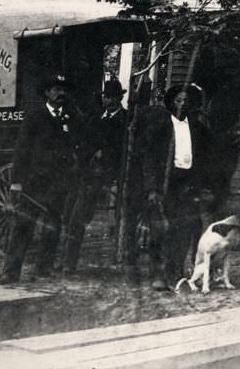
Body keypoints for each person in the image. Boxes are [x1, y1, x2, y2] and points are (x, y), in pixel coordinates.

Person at [0, 73, 79, 284]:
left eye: (63, 89)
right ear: (47, 93)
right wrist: (16, 182)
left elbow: (76, 147)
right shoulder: (35, 117)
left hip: (58, 183)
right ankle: (10, 272)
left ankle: (44, 269)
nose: (60, 93)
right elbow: (22, 151)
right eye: (55, 89)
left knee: (52, 226)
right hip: (34, 183)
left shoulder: (70, 118)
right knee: (23, 226)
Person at [137, 82, 212, 291]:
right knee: (161, 230)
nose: (182, 104)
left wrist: (201, 185)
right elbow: (149, 158)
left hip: (186, 184)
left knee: (183, 229)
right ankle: (158, 273)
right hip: (165, 183)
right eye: (178, 100)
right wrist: (152, 188)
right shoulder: (161, 127)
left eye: (186, 101)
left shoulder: (196, 127)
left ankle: (176, 272)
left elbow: (204, 158)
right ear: (171, 103)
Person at [63, 77, 129, 274]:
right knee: (77, 215)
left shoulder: (126, 120)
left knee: (121, 215)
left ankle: (122, 261)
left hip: (115, 171)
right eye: (106, 97)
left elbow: (124, 148)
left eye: (112, 97)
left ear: (120, 98)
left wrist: (106, 154)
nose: (108, 101)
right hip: (92, 173)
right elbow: (85, 142)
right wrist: (90, 154)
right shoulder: (96, 118)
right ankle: (69, 263)